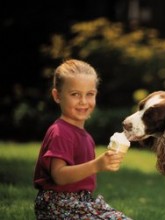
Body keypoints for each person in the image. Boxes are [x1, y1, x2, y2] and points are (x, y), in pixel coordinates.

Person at [33, 59, 132, 220]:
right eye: (75, 94)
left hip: (80, 202)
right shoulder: (60, 132)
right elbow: (59, 175)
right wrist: (97, 165)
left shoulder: (85, 136)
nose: (84, 101)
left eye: (90, 94)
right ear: (57, 96)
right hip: (59, 205)